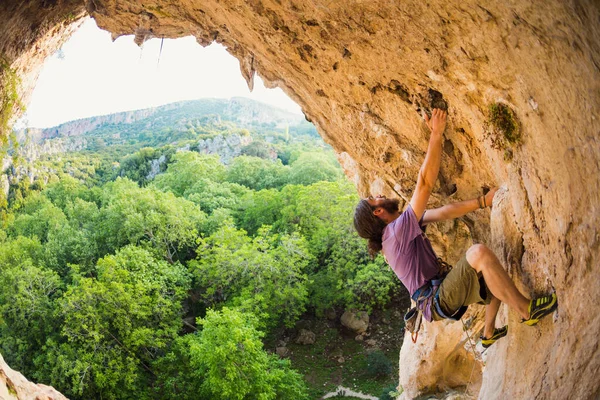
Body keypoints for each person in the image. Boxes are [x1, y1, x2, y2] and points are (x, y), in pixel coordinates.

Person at [353, 108, 557, 348]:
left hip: (437, 294)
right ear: (378, 212)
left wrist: (483, 202)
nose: (378, 195)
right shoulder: (396, 232)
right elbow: (425, 184)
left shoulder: (397, 232)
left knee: (490, 272)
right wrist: (436, 134)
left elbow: (444, 212)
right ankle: (526, 311)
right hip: (436, 300)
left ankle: (488, 333)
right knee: (478, 253)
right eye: (373, 199)